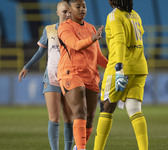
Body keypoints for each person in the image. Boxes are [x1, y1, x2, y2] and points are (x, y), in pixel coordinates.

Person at [18, 1, 74, 150]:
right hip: (51, 78)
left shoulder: (75, 30)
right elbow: (41, 52)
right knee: (54, 118)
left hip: (69, 79)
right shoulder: (49, 30)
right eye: (64, 11)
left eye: (69, 12)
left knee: (69, 118)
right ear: (57, 13)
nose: (67, 14)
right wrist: (27, 66)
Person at [93, 0, 148, 150]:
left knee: (106, 107)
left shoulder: (114, 16)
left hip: (120, 67)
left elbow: (119, 42)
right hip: (140, 68)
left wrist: (119, 69)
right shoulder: (135, 15)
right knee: (134, 109)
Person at [57, 0, 108, 150]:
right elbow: (75, 45)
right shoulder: (64, 27)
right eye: (77, 6)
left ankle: (79, 147)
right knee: (80, 111)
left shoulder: (91, 28)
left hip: (91, 75)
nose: (82, 9)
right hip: (70, 73)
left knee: (90, 118)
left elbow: (98, 57)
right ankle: (82, 148)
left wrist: (116, 67)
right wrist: (93, 38)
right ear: (70, 9)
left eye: (84, 6)